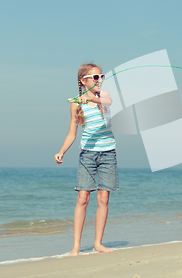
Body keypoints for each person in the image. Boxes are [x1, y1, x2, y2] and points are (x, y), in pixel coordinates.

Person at [54, 63, 118, 255]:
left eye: (101, 76)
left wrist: (91, 97)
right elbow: (72, 133)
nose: (99, 80)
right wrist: (62, 151)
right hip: (87, 154)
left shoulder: (104, 96)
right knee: (83, 198)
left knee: (103, 197)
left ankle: (98, 243)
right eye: (95, 77)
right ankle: (76, 246)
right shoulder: (76, 103)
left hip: (108, 153)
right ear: (83, 81)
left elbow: (108, 103)